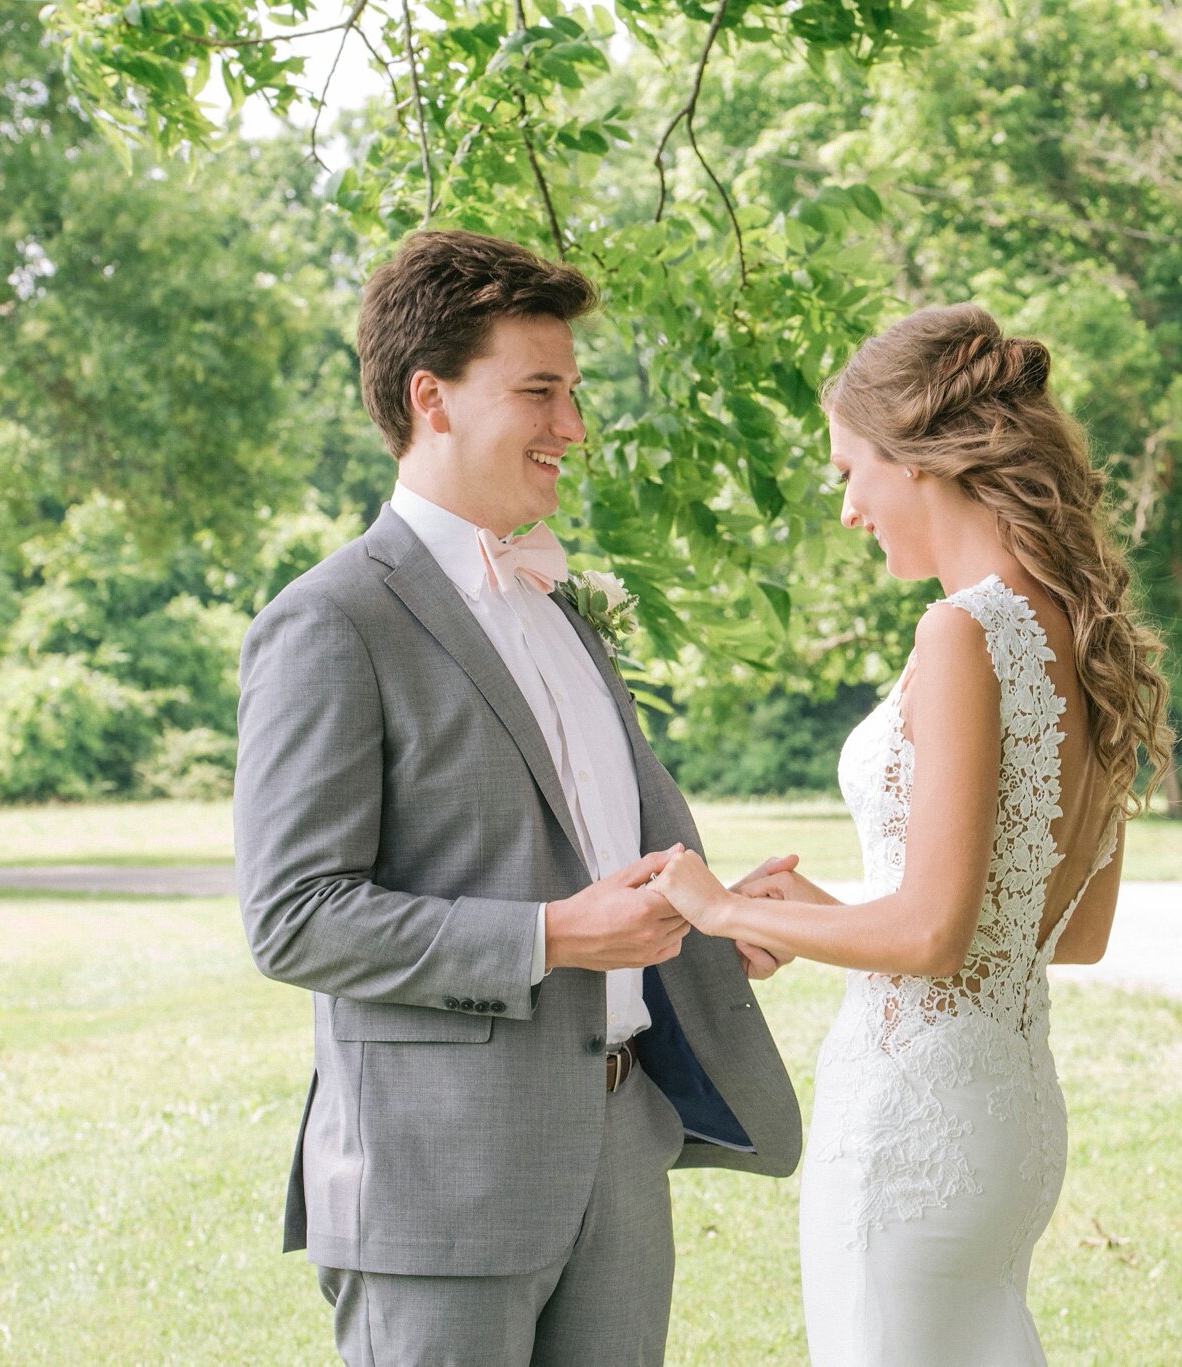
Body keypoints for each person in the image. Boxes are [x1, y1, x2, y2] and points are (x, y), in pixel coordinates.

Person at [234, 229, 801, 1367]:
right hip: (437, 1182)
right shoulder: (330, 621)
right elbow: (292, 914)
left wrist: (708, 913)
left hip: (618, 1150)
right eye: (540, 391)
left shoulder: (561, 605)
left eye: (574, 393)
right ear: (429, 397)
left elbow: (583, 847)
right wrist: (554, 935)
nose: (573, 428)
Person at [653, 303, 1174, 1365]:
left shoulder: (963, 629)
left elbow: (936, 936)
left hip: (908, 1125)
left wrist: (723, 906)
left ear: (926, 458)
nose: (847, 507)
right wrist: (831, 920)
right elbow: (1060, 934)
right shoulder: (1086, 643)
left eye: (851, 470)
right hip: (1009, 1117)